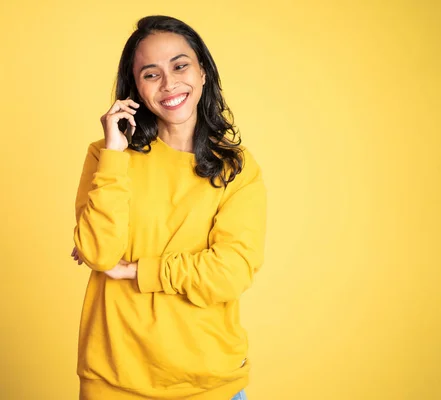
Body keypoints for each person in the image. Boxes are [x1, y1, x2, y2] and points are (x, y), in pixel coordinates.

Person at [71, 15, 267, 400]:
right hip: (114, 380)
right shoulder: (106, 156)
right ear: (135, 89)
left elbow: (230, 273)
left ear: (204, 72)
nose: (169, 83)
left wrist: (136, 270)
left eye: (180, 66)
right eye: (150, 74)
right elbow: (98, 252)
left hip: (211, 384)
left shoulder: (236, 167)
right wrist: (114, 153)